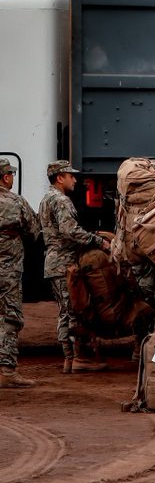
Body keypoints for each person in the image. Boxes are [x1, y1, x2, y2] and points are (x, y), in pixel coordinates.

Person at [39, 160, 110, 374]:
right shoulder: (61, 201)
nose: (75, 180)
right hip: (65, 263)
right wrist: (98, 241)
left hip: (54, 263)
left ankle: (69, 360)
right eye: (71, 176)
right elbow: (70, 231)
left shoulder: (47, 199)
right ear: (60, 177)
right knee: (75, 311)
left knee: (65, 311)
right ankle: (79, 359)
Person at [0, 158, 39, 388]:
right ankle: (7, 371)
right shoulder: (16, 202)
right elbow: (34, 231)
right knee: (10, 317)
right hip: (8, 272)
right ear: (6, 177)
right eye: (11, 174)